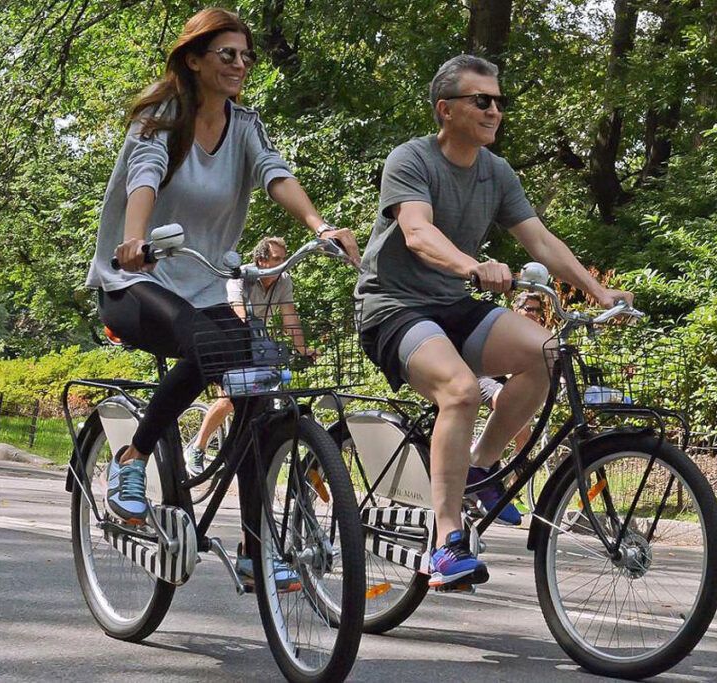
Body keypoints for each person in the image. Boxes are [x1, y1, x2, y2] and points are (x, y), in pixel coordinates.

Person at [353, 54, 632, 590]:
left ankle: (479, 467)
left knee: (548, 352)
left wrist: (599, 293)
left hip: (452, 303)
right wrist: (472, 266)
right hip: (393, 306)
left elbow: (540, 240)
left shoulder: (496, 172)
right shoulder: (411, 160)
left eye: (499, 101)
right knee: (460, 391)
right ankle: (446, 543)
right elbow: (417, 233)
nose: (494, 110)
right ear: (446, 109)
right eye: (481, 100)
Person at [84, 9, 360, 544]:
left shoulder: (246, 126)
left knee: (259, 384)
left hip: (205, 287)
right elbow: (145, 176)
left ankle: (258, 553)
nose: (240, 64)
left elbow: (275, 174)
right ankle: (132, 458)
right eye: (227, 54)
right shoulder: (162, 118)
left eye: (246, 56)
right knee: (210, 344)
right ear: (194, 59)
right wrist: (134, 242)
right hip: (133, 283)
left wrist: (321, 225)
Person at [185, 236, 315, 477]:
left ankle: (252, 457)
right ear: (261, 261)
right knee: (228, 400)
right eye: (276, 259)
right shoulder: (240, 277)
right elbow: (239, 316)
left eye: (284, 259)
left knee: (266, 398)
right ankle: (197, 448)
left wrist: (302, 349)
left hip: (259, 346)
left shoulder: (283, 280)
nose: (282, 263)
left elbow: (289, 316)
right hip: (229, 341)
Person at [473, 291, 551, 525]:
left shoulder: (539, 334)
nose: (533, 314)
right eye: (528, 309)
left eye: (537, 310)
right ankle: (479, 466)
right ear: (516, 309)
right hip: (486, 377)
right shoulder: (507, 326)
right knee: (504, 402)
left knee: (525, 438)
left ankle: (508, 486)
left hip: (509, 381)